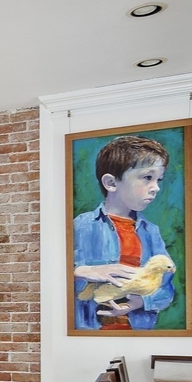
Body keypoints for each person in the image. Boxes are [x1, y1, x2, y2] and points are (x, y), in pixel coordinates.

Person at [72, 135, 175, 330]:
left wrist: (138, 303)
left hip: (136, 332)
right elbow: (51, 275)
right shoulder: (82, 226)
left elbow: (166, 288)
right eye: (147, 178)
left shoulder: (151, 232)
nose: (156, 188)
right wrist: (87, 271)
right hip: (88, 330)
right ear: (111, 183)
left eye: (159, 179)